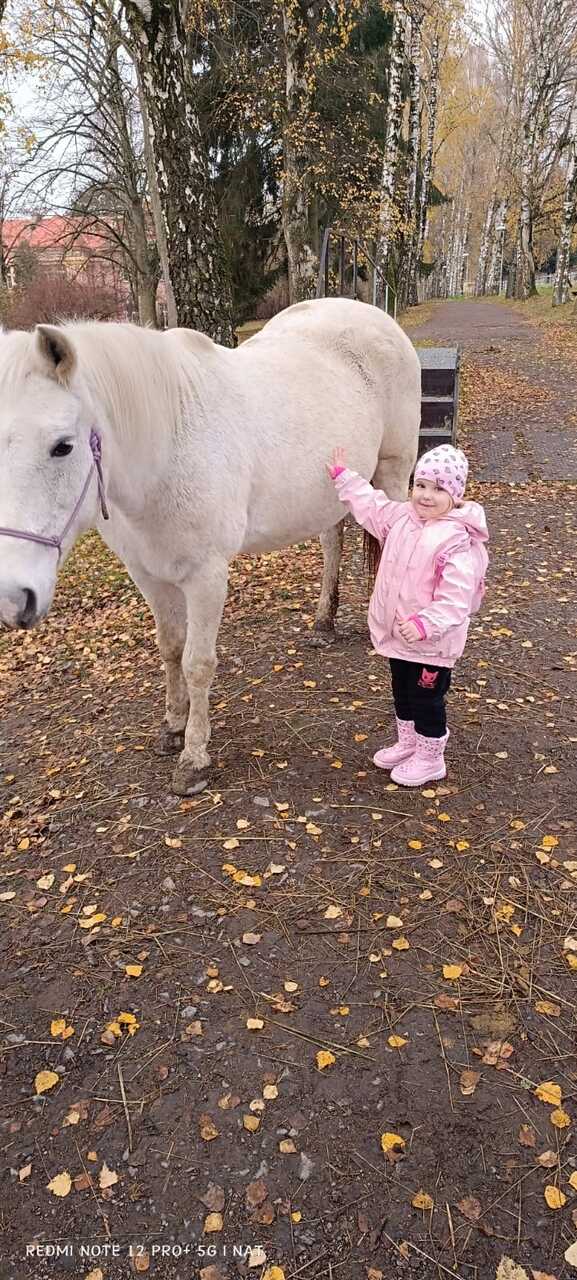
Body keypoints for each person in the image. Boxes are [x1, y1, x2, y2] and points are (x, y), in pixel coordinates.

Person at [327, 444, 489, 786]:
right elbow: (371, 506)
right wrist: (345, 478)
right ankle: (409, 743)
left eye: (439, 489)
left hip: (431, 644)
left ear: (456, 495)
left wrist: (424, 624)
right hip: (400, 637)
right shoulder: (401, 517)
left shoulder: (456, 541)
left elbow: (455, 599)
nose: (426, 496)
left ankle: (431, 758)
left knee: (427, 699)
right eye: (421, 485)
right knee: (402, 691)